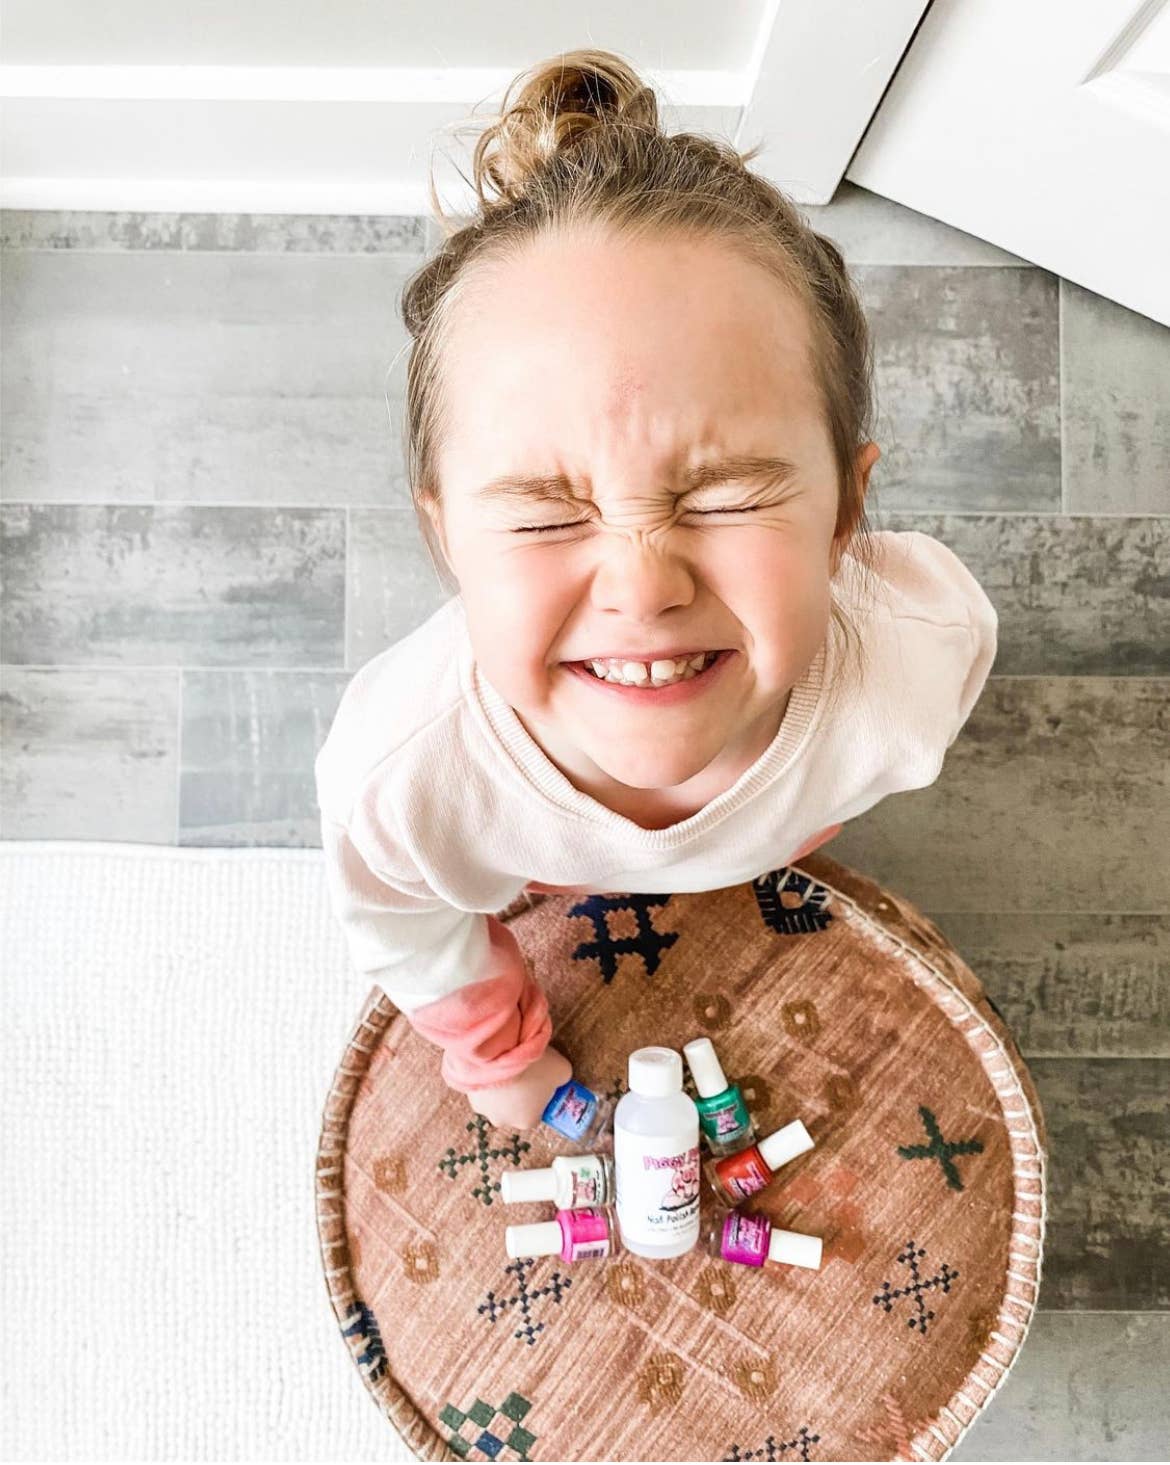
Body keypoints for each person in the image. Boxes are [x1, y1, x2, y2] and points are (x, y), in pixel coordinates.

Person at [314, 49, 998, 1132]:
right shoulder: (402, 782)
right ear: (449, 540)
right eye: (546, 515)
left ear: (845, 516)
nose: (642, 587)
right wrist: (493, 1050)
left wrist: (786, 825)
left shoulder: (913, 663)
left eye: (725, 498)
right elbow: (399, 919)